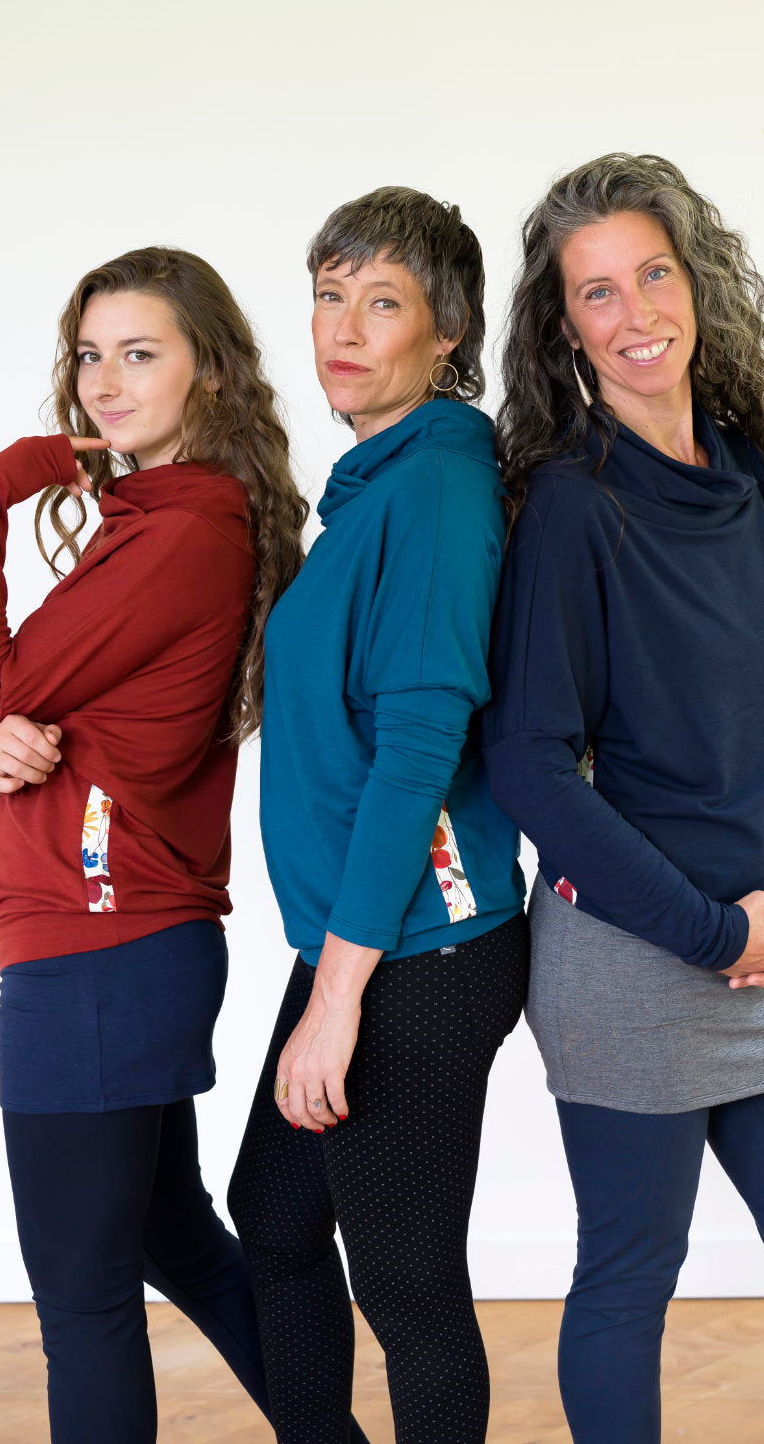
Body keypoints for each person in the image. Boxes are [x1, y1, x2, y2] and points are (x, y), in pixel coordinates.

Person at [481, 154, 764, 1444]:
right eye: (596, 292)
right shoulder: (570, 503)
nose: (632, 313)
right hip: (628, 955)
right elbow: (528, 765)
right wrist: (716, 931)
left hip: (762, 955)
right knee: (630, 1271)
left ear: (694, 281)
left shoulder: (744, 474)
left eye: (650, 274)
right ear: (566, 327)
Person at [0, 246, 371, 1444]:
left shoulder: (180, 527)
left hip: (95, 949)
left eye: (141, 353)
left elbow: (4, 679)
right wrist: (1, 732)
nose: (106, 383)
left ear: (212, 375)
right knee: (168, 1234)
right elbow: (20, 705)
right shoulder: (159, 517)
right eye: (91, 355)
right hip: (120, 945)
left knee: (82, 1309)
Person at [226, 187, 529, 1444]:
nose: (343, 328)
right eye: (328, 293)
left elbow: (417, 751)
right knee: (279, 1216)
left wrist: (336, 998)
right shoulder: (371, 483)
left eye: (383, 302)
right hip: (366, 938)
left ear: (445, 334)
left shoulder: (438, 487)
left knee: (404, 1283)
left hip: (420, 951)